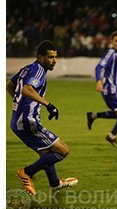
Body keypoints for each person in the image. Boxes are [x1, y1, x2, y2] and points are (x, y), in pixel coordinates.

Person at [8, 40, 77, 196]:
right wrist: (48, 105)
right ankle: (27, 172)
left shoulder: (27, 68)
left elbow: (9, 85)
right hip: (27, 122)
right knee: (62, 150)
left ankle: (55, 184)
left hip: (18, 121)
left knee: (46, 154)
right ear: (40, 57)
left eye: (55, 57)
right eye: (51, 57)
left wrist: (20, 104)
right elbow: (27, 89)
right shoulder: (38, 70)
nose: (54, 61)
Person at [87, 31, 117, 146]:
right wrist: (98, 81)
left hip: (113, 89)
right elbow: (99, 66)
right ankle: (111, 136)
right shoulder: (111, 53)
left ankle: (93, 115)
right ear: (111, 42)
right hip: (111, 90)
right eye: (116, 41)